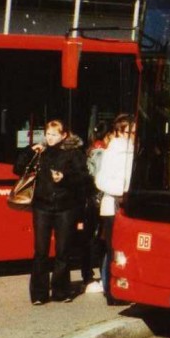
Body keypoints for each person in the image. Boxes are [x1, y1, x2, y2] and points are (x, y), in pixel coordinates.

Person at [14, 119, 88, 304]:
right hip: (42, 206)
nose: (50, 138)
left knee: (63, 251)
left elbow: (84, 179)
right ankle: (39, 294)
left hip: (65, 208)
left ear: (64, 135)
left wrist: (65, 177)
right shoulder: (41, 152)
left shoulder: (73, 154)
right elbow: (17, 168)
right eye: (48, 134)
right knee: (40, 251)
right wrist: (30, 150)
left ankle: (60, 291)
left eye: (54, 134)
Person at [95, 114, 135, 304]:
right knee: (112, 248)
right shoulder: (113, 151)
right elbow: (100, 180)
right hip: (113, 205)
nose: (133, 136)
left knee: (124, 250)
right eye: (130, 132)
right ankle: (111, 291)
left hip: (130, 204)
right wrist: (121, 191)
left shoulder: (136, 150)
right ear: (120, 131)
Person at [79, 122, 109, 294]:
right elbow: (99, 179)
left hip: (89, 201)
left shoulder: (89, 151)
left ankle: (87, 276)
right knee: (99, 240)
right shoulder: (102, 153)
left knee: (89, 238)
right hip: (98, 200)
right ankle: (95, 276)